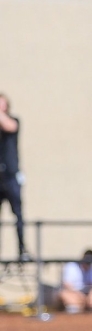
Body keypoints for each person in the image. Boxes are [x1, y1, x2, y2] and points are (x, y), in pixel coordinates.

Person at [0, 93, 28, 260]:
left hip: (11, 175)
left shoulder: (14, 120)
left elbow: (9, 126)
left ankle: (22, 249)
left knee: (18, 214)